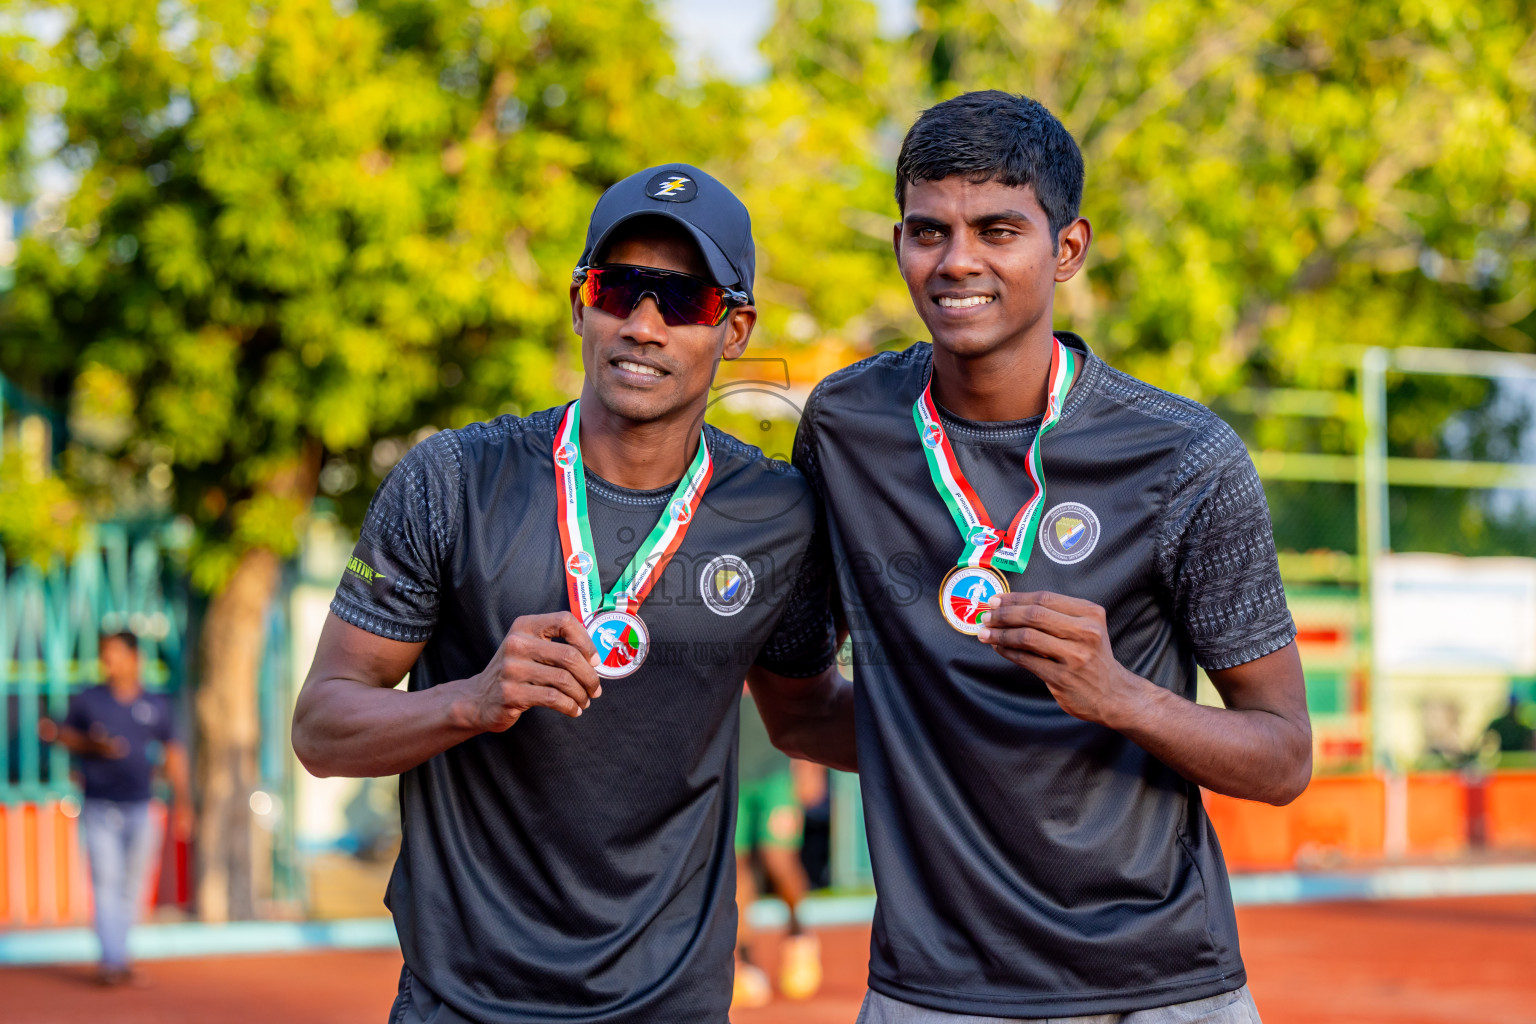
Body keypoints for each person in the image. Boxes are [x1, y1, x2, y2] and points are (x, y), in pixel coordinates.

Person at [788, 92, 1311, 1023]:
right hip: (934, 992)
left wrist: (1122, 696)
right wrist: (939, 733)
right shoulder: (845, 426)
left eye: (998, 229)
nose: (957, 262)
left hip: (1161, 987)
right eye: (927, 231)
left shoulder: (1183, 456)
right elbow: (798, 713)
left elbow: (1282, 757)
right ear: (899, 242)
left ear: (1067, 248)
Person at [290, 163, 853, 1024]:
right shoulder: (455, 481)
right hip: (463, 1001)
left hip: (672, 1004)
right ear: (579, 304)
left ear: (735, 329)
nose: (645, 324)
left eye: (686, 300)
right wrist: (471, 702)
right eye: (617, 287)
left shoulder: (777, 514)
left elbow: (804, 716)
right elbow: (322, 726)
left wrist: (1011, 725)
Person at [40, 631, 192, 985]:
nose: (109, 661)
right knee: (106, 880)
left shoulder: (156, 702)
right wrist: (92, 745)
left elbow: (174, 751)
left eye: (116, 654)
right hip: (98, 806)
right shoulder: (89, 699)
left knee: (133, 885)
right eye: (105, 654)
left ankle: (119, 954)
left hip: (141, 807)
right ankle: (112, 962)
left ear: (135, 658)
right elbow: (57, 733)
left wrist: (183, 801)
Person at [732, 684, 824, 1008]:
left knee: (779, 859)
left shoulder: (768, 641)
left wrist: (811, 766)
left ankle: (799, 937)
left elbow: (808, 698)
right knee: (736, 868)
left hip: (777, 773)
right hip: (734, 775)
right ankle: (745, 963)